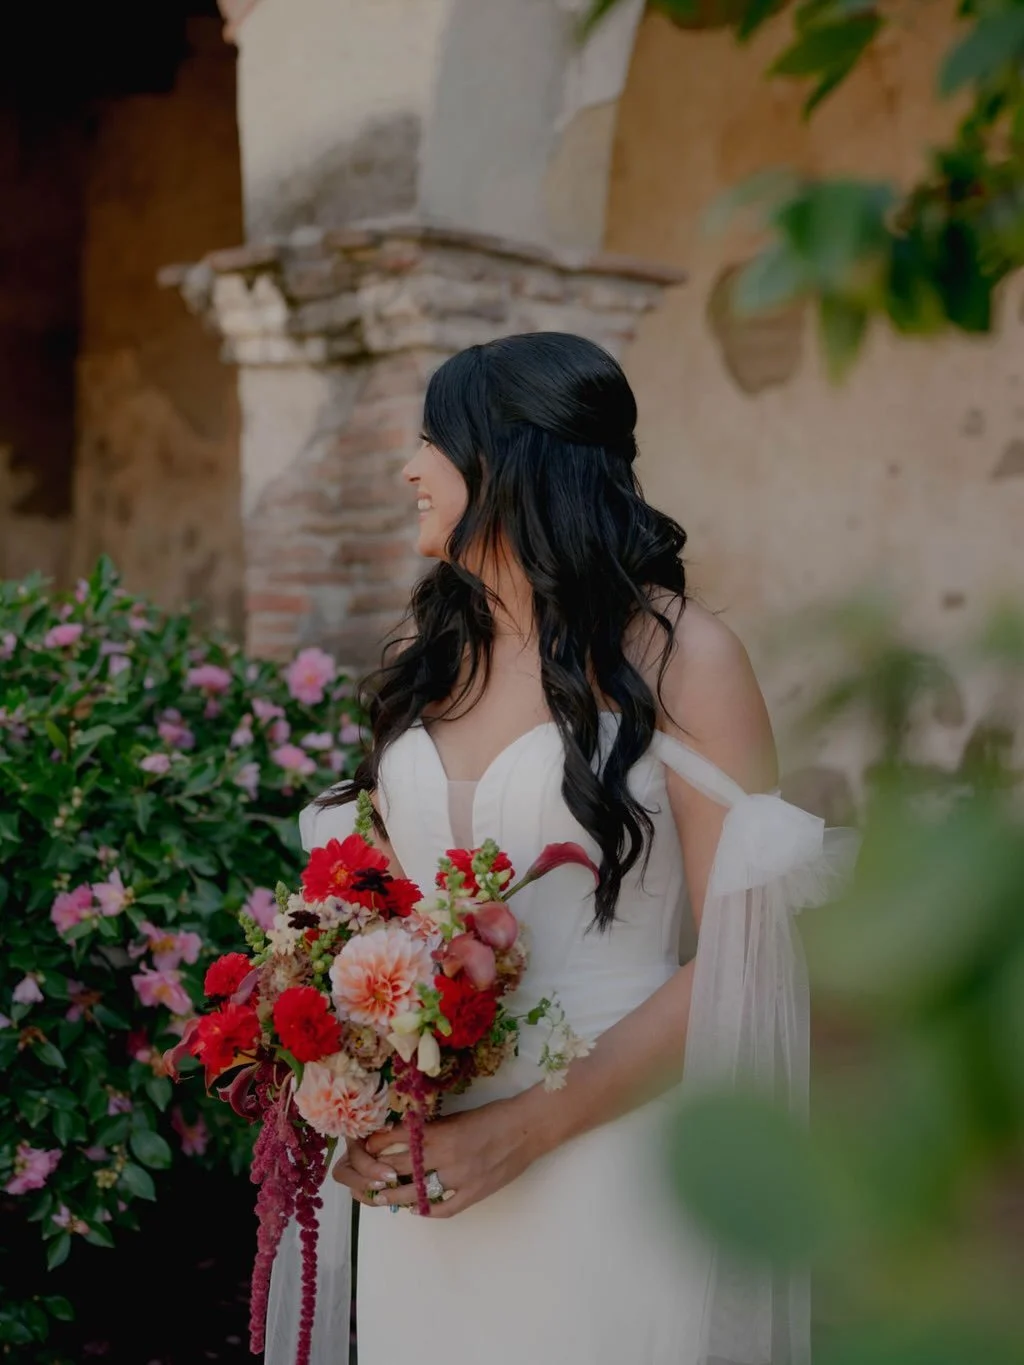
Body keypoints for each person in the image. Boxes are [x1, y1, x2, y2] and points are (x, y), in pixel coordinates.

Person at [265, 332, 852, 1365]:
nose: (408, 468)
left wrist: (531, 1127)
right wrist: (351, 1095)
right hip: (429, 1178)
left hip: (609, 1151)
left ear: (510, 458)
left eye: (433, 441)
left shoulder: (684, 657)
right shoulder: (426, 657)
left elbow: (742, 958)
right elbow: (386, 919)